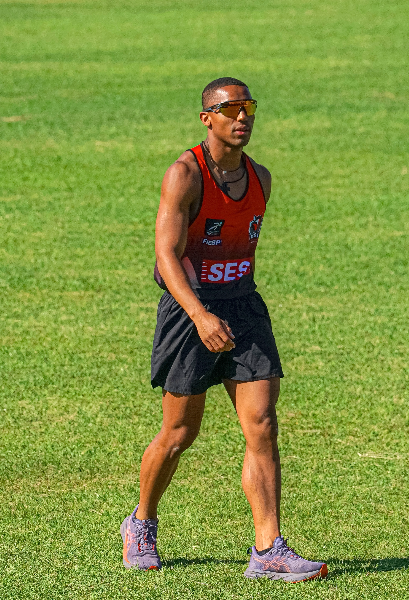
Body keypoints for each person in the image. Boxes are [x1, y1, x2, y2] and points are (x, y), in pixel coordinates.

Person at [120, 77, 327, 582]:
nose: (242, 118)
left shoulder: (261, 179)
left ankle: (268, 549)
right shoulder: (184, 175)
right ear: (206, 118)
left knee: (263, 425)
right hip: (191, 311)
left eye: (248, 107)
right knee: (180, 432)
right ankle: (141, 520)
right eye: (229, 109)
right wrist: (200, 315)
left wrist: (229, 307)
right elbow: (165, 257)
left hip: (244, 306)